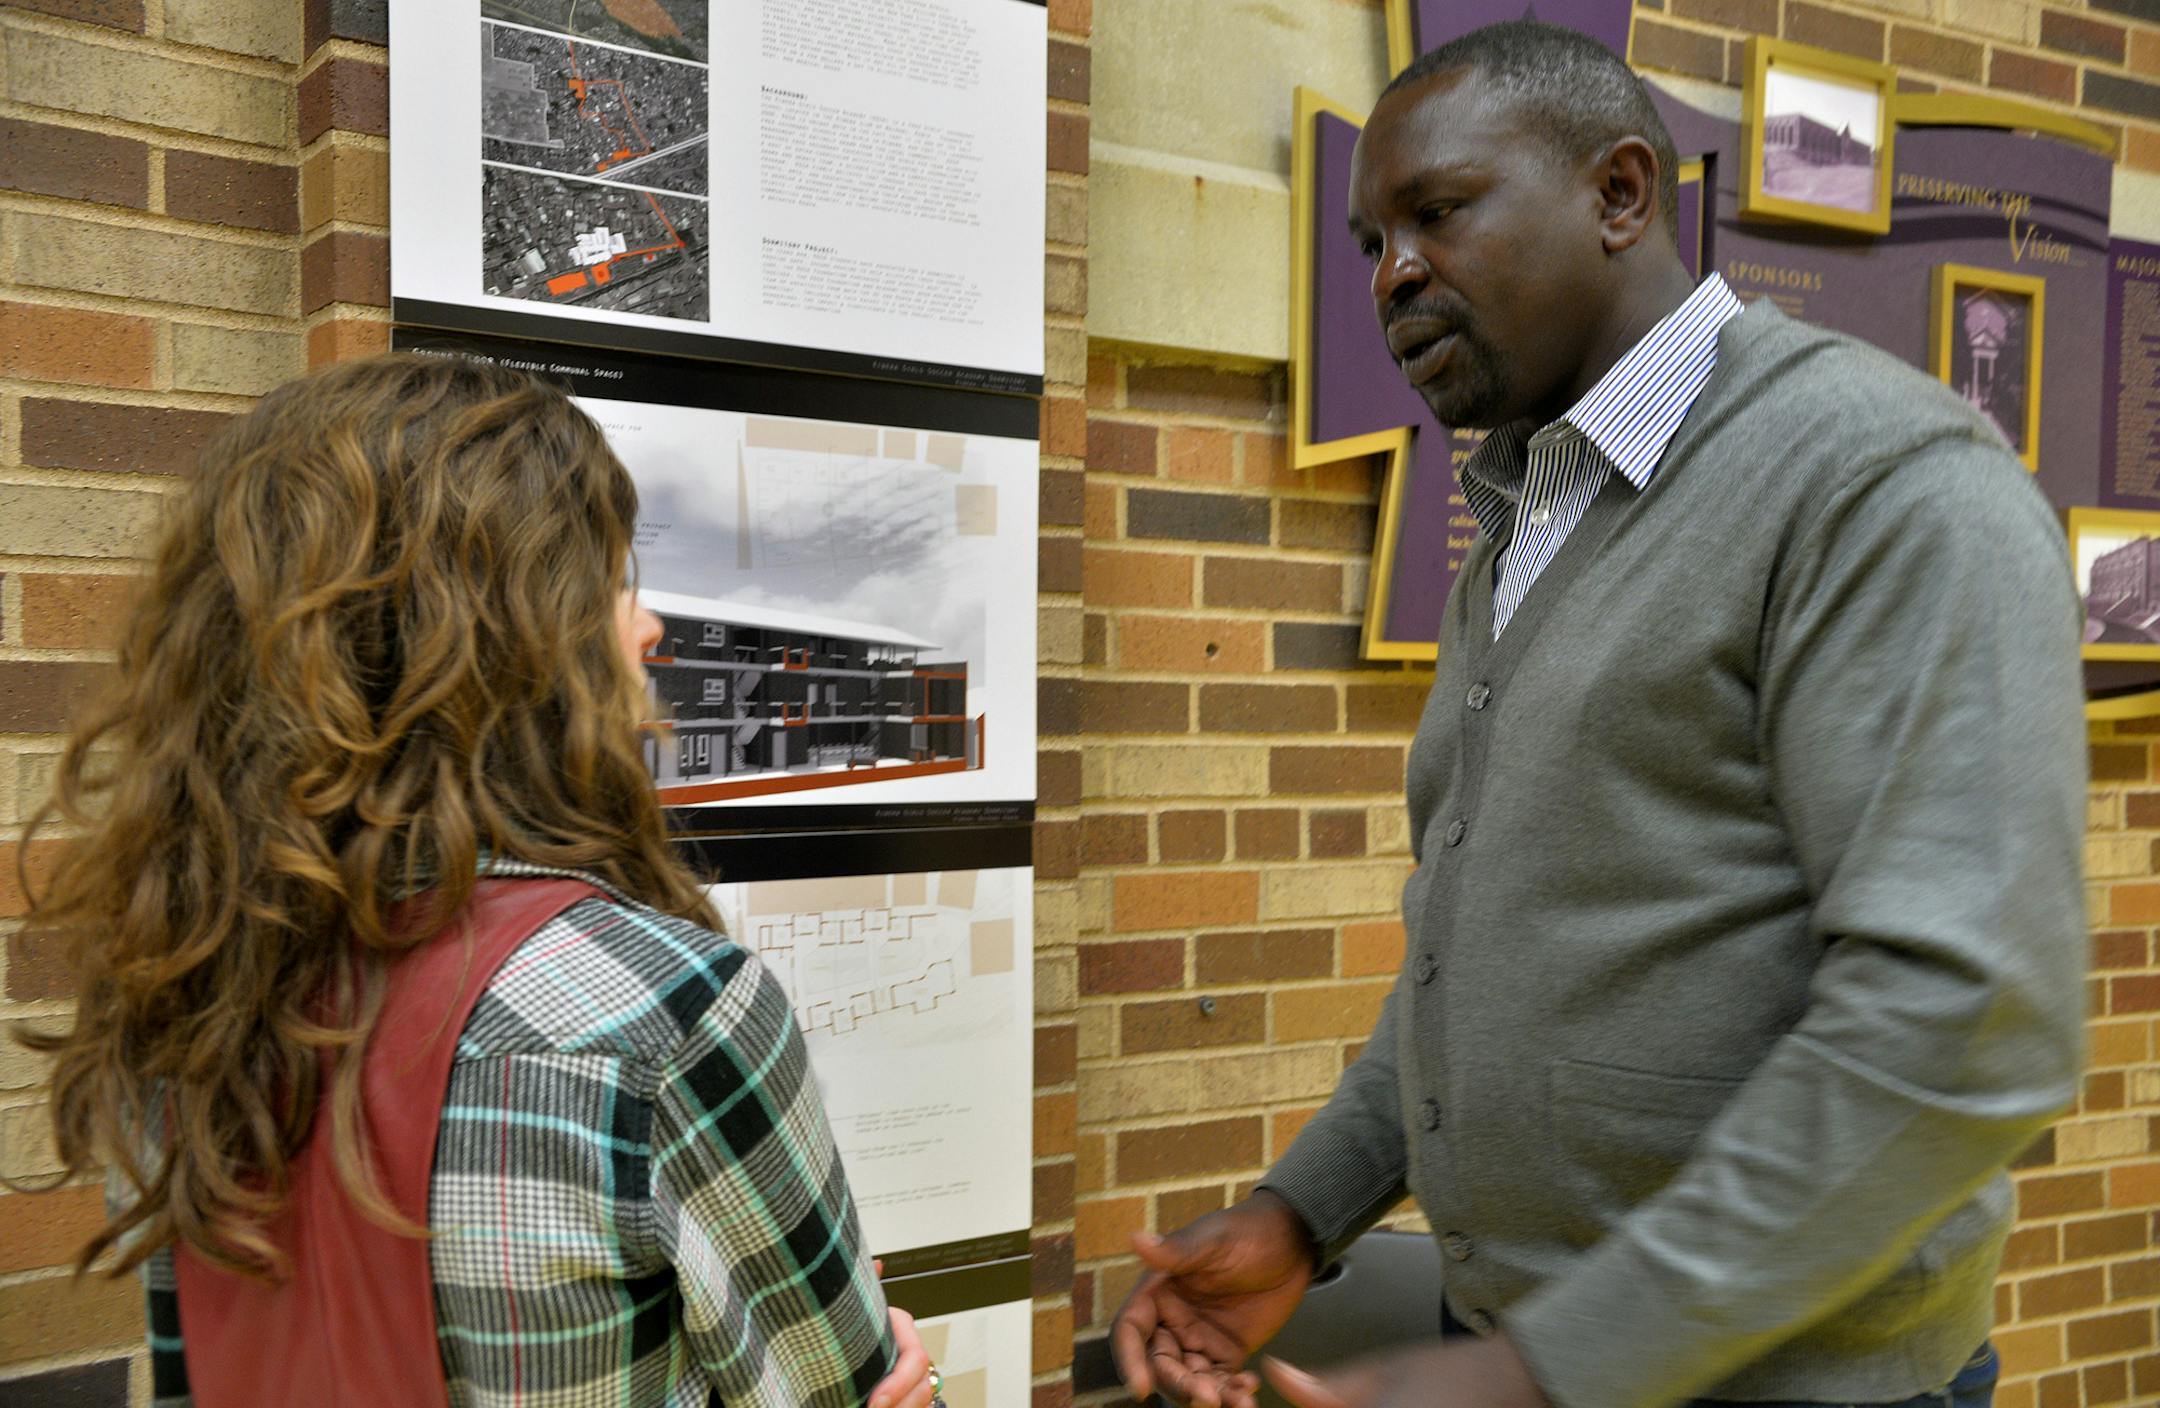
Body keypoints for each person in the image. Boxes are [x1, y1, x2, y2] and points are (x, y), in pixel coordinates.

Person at [1113, 21, 2085, 1408]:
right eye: (1368, 242)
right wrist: (1301, 1213)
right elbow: (1488, 952)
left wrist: (1545, 1373)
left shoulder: (1881, 483)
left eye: (1436, 213)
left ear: (1621, 194)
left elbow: (1964, 1024)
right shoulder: (1525, 515)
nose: (1392, 276)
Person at [17, 355, 942, 1408]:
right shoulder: (666, 1013)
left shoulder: (186, 990)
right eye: (607, 580)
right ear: (520, 643)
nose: (646, 627)